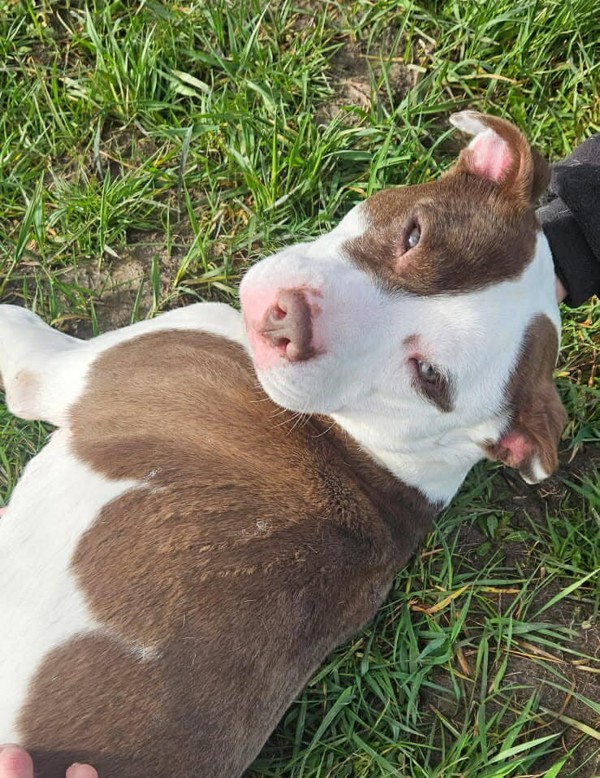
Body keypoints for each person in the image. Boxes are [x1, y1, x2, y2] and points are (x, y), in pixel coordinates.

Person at [0, 134, 598, 778]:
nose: (301, 322)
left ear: (506, 444)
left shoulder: (208, 347)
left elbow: (29, 371)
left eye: (426, 372)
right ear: (483, 156)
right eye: (412, 239)